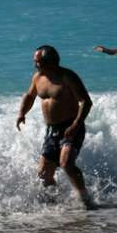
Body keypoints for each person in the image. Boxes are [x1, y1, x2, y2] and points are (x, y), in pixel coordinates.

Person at [16, 45, 94, 208]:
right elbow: (30, 96)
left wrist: (76, 124)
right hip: (51, 130)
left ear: (50, 62)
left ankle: (85, 199)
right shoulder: (38, 78)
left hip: (71, 126)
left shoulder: (67, 77)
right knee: (44, 174)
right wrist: (22, 113)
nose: (35, 65)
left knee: (66, 164)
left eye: (38, 62)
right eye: (35, 62)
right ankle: (54, 204)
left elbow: (85, 101)